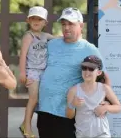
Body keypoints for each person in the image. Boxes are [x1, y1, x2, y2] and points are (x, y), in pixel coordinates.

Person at [28, 7, 111, 138]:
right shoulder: (52, 44)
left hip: (68, 114)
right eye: (63, 24)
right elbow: (32, 55)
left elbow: (105, 78)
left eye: (71, 24)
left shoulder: (89, 49)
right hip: (45, 110)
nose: (66, 27)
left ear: (81, 25)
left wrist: (105, 101)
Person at [19, 6, 54, 138]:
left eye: (39, 19)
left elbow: (58, 38)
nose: (36, 21)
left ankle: (24, 124)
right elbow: (22, 54)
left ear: (45, 22)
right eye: (33, 18)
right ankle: (27, 127)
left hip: (43, 72)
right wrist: (22, 72)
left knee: (38, 99)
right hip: (32, 71)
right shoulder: (29, 36)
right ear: (28, 20)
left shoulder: (45, 36)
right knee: (33, 98)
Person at [66, 55, 121, 138]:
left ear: (99, 72)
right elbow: (69, 116)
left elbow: (118, 107)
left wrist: (106, 108)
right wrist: (73, 105)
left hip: (102, 134)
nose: (87, 72)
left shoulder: (104, 88)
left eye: (91, 69)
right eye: (84, 68)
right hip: (82, 135)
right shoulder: (73, 90)